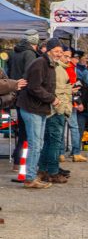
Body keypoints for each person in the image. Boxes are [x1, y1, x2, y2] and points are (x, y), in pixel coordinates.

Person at [16, 38, 63, 189]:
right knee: (35, 144)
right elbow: (34, 88)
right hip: (31, 108)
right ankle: (30, 178)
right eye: (56, 51)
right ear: (48, 50)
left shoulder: (50, 64)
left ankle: (32, 175)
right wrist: (52, 99)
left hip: (40, 108)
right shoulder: (40, 63)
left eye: (60, 52)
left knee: (39, 143)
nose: (59, 54)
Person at [37, 45, 73, 184]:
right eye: (64, 55)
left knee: (49, 142)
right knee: (54, 143)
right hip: (56, 111)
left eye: (68, 56)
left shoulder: (60, 68)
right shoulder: (57, 69)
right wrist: (62, 109)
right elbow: (57, 92)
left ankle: (44, 170)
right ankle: (52, 172)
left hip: (54, 110)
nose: (67, 58)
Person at [6, 29, 39, 171]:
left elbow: (8, 73)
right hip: (27, 96)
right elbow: (30, 75)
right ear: (34, 42)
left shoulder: (14, 53)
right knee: (28, 131)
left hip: (16, 94)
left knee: (22, 129)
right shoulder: (30, 54)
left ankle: (17, 160)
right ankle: (21, 162)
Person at [61, 49, 86, 162]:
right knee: (74, 128)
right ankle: (76, 153)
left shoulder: (64, 67)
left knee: (61, 129)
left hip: (62, 101)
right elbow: (73, 89)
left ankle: (60, 153)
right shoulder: (70, 68)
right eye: (75, 58)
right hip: (69, 103)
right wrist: (78, 102)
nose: (77, 60)